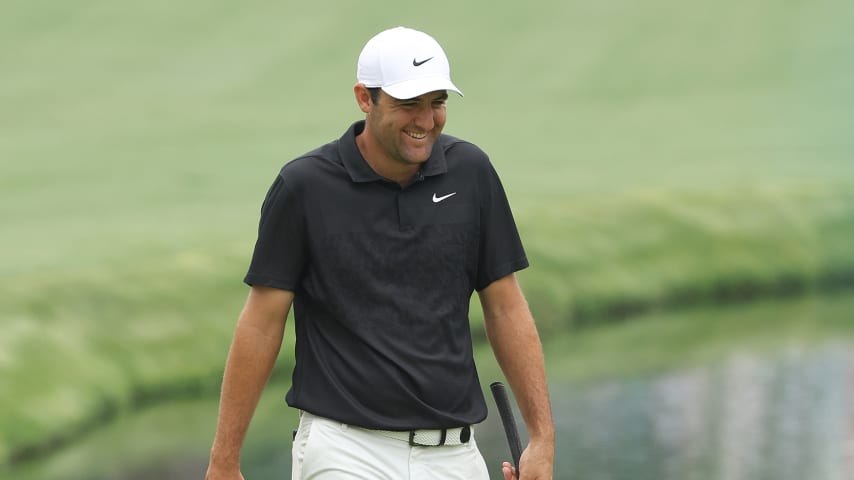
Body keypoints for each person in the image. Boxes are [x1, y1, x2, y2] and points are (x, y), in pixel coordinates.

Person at [205, 26, 554, 480]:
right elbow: (262, 322)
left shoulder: (472, 174)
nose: (426, 121)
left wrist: (542, 438)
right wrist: (223, 460)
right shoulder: (305, 187)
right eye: (409, 104)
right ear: (364, 99)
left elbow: (506, 307)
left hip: (454, 453)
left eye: (437, 103)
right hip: (345, 450)